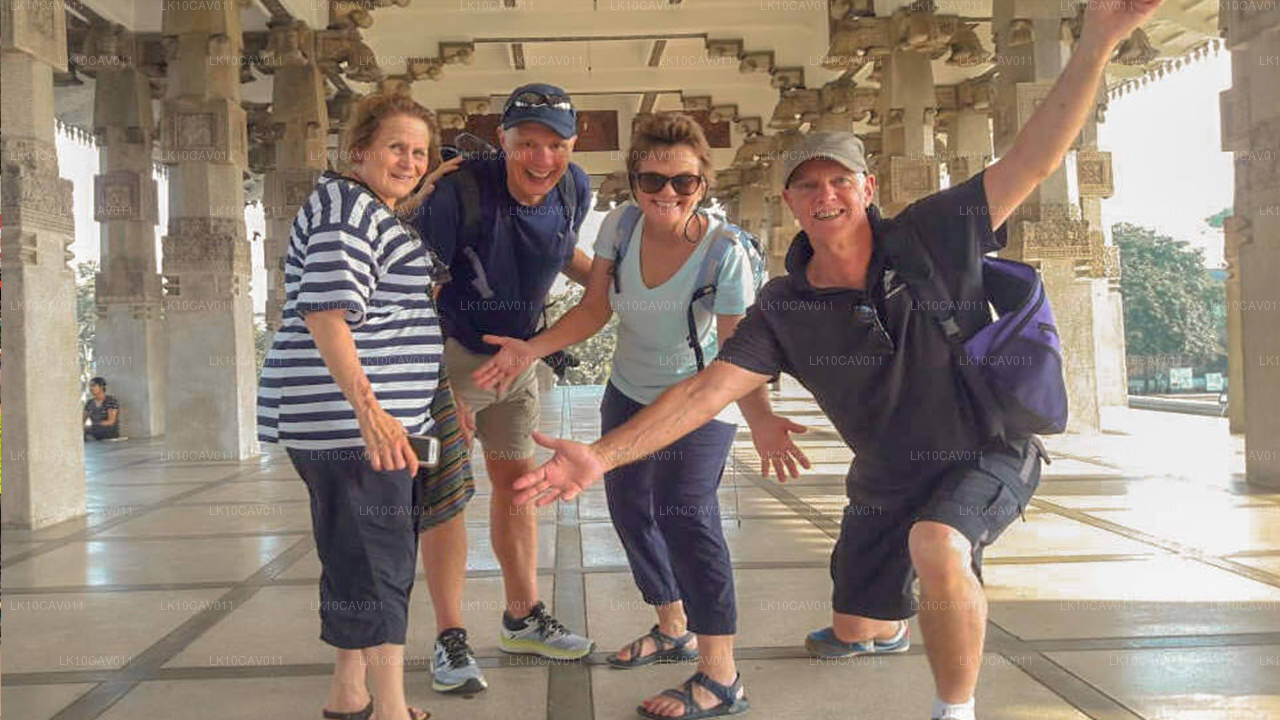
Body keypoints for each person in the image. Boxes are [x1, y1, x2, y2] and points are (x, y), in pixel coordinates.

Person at [506, 2, 1163, 719]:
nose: (826, 196)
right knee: (855, 621)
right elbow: (706, 392)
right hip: (886, 474)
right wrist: (601, 457)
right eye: (809, 186)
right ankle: (875, 626)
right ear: (788, 200)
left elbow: (1033, 160)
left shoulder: (932, 236)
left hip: (986, 446)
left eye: (840, 181)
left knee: (938, 545)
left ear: (867, 188)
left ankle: (956, 708)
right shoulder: (784, 307)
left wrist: (1098, 41)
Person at [473, 112, 808, 719]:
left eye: (684, 182)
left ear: (703, 184)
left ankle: (721, 673)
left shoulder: (724, 252)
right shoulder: (622, 226)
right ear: (633, 183)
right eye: (652, 181)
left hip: (698, 402)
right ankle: (672, 626)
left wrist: (760, 416)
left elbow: (740, 351)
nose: (667, 194)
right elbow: (595, 309)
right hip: (627, 389)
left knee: (687, 516)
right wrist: (532, 349)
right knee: (629, 509)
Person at [257, 93, 462, 720]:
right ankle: (392, 709)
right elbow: (326, 313)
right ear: (359, 151)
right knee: (381, 563)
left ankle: (348, 696)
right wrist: (370, 413)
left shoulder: (363, 207)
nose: (409, 161)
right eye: (395, 147)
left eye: (419, 152)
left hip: (361, 424)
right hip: (355, 427)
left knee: (355, 555)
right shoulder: (347, 210)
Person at [407, 82, 595, 694]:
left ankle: (522, 618)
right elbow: (414, 289)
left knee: (518, 486)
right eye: (527, 144)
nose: (542, 159)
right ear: (503, 140)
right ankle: (450, 637)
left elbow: (562, 254)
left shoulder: (573, 188)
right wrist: (438, 387)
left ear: (573, 145)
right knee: (445, 497)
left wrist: (636, 281)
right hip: (455, 357)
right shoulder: (458, 193)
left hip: (518, 361)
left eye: (556, 144)